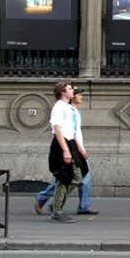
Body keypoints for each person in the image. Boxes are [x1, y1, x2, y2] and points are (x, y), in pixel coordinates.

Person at [37, 91, 97, 216]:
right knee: (67, 179)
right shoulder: (65, 109)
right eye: (79, 94)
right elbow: (68, 132)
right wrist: (79, 150)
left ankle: (83, 205)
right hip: (72, 148)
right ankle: (50, 202)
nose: (82, 96)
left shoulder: (75, 112)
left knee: (79, 178)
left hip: (75, 147)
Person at [44, 82, 89, 223]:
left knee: (77, 177)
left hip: (70, 143)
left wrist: (78, 149)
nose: (73, 91)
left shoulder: (68, 108)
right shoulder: (59, 107)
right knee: (64, 178)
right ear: (63, 92)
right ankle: (57, 211)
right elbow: (57, 129)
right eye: (70, 89)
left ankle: (56, 205)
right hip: (62, 144)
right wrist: (65, 150)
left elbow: (72, 130)